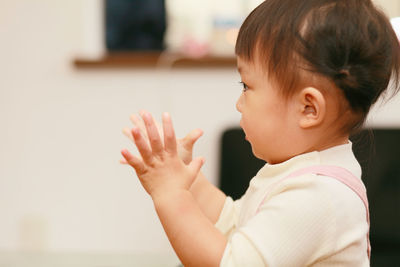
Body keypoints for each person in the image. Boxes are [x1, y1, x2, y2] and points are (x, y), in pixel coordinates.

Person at [120, 0, 400, 266]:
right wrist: (186, 179)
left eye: (246, 86)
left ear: (308, 108)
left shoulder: (319, 195)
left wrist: (170, 195)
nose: (238, 103)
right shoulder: (299, 176)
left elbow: (231, 263)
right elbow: (233, 223)